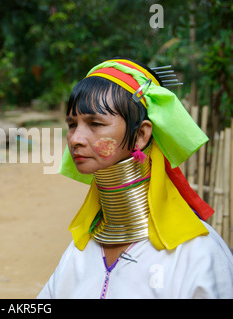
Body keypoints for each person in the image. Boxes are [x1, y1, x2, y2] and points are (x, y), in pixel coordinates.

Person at [37, 58, 233, 299]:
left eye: (95, 123)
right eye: (72, 124)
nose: (75, 138)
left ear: (140, 135)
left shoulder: (197, 254)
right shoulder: (80, 249)